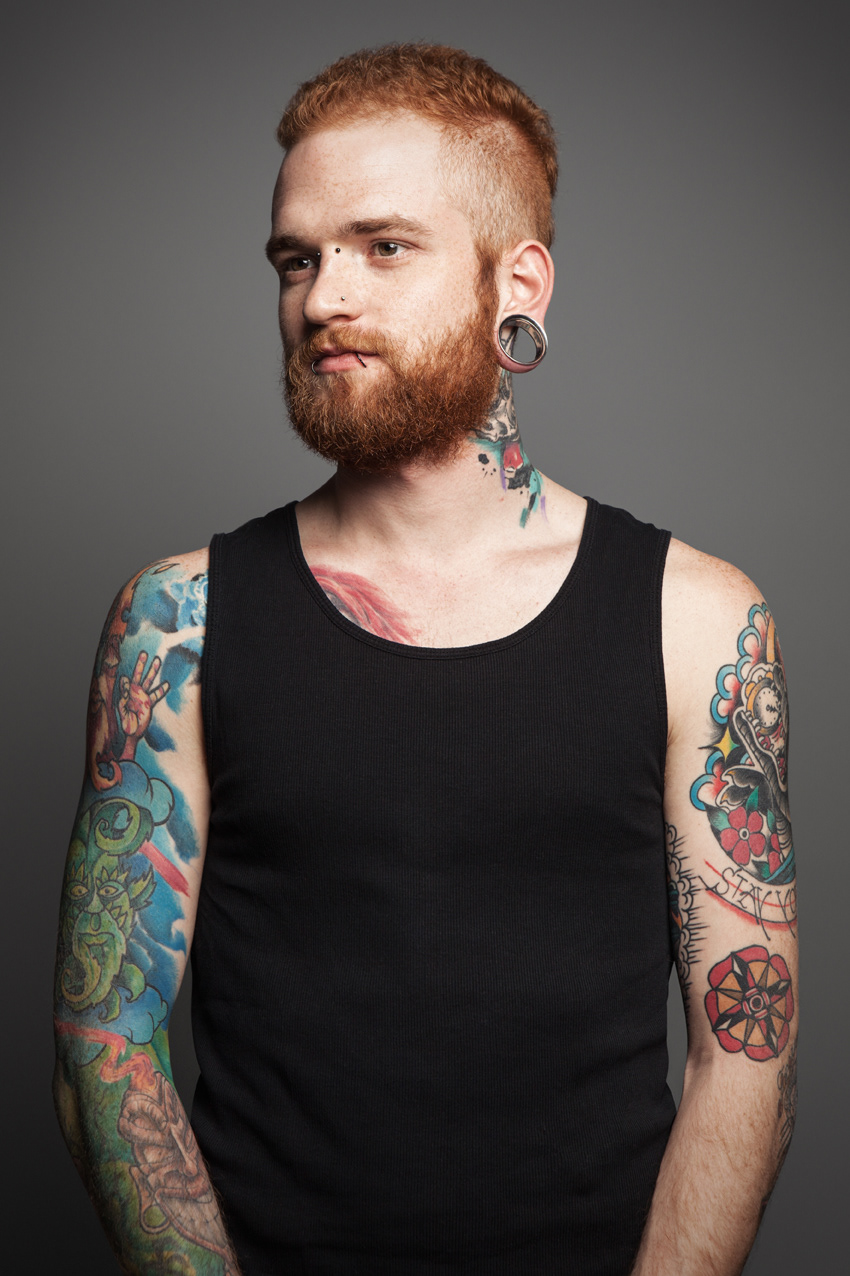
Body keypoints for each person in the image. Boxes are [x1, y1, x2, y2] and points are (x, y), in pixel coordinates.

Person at [53, 43, 798, 1276]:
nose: (322, 300)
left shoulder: (700, 620)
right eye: (297, 259)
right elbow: (103, 1040)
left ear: (519, 284)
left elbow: (747, 1052)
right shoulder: (177, 622)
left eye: (382, 246)